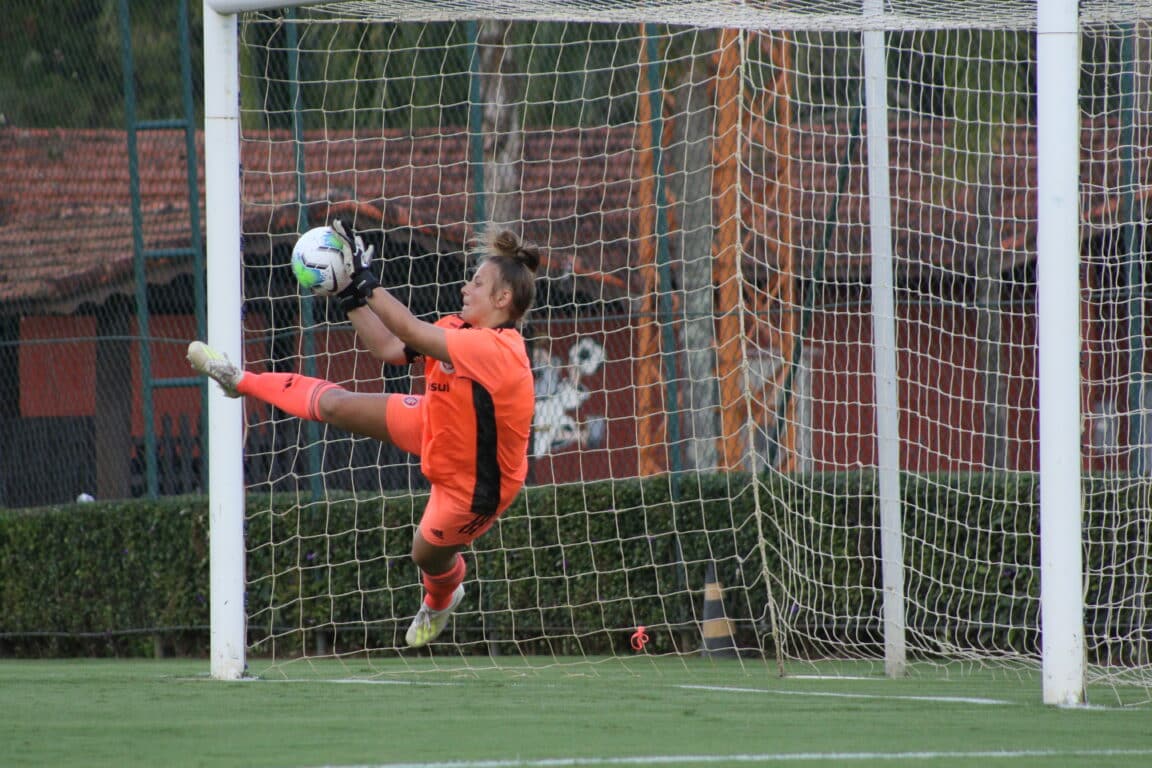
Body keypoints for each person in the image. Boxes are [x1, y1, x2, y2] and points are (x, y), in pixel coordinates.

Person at [187, 220, 539, 648]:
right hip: (436, 423)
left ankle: (441, 596)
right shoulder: (457, 328)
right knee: (336, 406)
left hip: (475, 484)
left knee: (424, 555)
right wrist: (349, 294)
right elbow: (392, 348)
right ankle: (237, 379)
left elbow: (408, 329)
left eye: (477, 283)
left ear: (503, 299)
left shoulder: (500, 349)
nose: (466, 288)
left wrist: (364, 281)